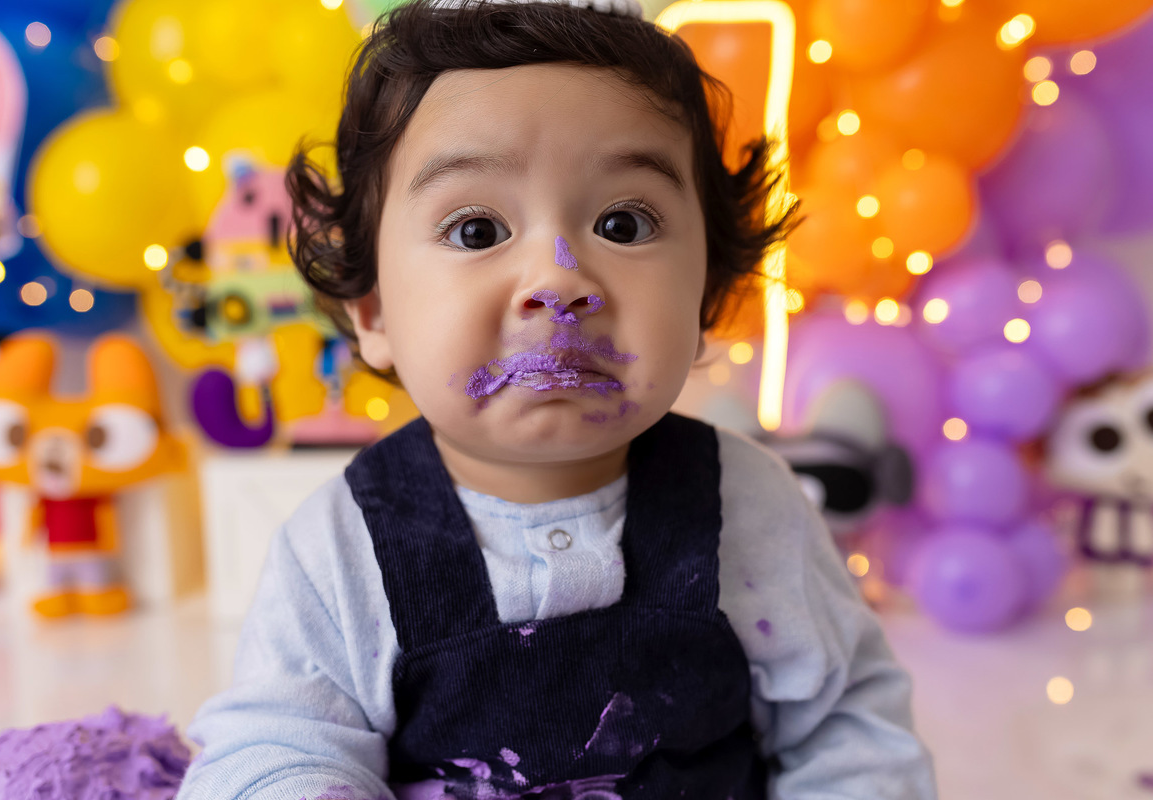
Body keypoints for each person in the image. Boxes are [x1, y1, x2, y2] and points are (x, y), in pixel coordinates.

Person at [178, 1, 937, 798]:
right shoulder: (342, 544)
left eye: (623, 221)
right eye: (476, 230)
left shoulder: (751, 508)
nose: (557, 282)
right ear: (372, 313)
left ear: (708, 289)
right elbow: (277, 744)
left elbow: (848, 728)